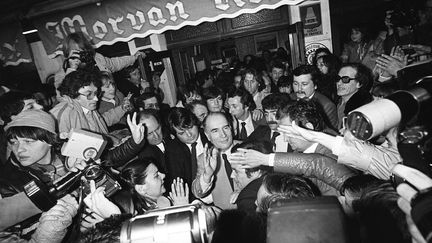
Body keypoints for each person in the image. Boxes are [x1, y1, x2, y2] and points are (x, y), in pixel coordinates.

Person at [0, 110, 81, 239]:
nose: (19, 149)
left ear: (50, 141)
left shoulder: (67, 155)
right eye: (14, 142)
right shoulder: (7, 183)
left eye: (28, 141)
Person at [55, 31, 144, 92]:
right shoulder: (62, 74)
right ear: (68, 54)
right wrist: (71, 69)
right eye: (76, 51)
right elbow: (63, 96)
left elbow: (115, 63)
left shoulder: (96, 58)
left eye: (83, 50)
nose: (80, 54)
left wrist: (134, 57)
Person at [192, 112, 238, 209]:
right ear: (207, 135)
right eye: (215, 131)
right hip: (226, 218)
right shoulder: (204, 158)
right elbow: (198, 192)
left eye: (225, 128)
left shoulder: (248, 148)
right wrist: (207, 176)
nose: (223, 135)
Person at [114, 158, 189, 215]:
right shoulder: (147, 219)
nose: (163, 175)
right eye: (156, 175)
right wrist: (182, 210)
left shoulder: (165, 199)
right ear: (142, 189)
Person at [165, 108, 209, 192]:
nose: (189, 135)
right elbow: (177, 182)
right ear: (173, 135)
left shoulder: (209, 136)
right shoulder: (172, 150)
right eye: (182, 133)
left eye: (191, 127)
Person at [292, 65, 338, 131]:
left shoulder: (326, 106)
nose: (299, 89)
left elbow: (330, 135)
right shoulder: (289, 99)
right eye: (296, 84)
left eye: (304, 84)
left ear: (315, 85)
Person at [230, 141, 272, 213]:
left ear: (256, 172)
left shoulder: (246, 199)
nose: (232, 176)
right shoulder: (276, 181)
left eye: (236, 171)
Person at [336, 63, 373, 130]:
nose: (339, 83)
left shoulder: (360, 110)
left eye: (345, 79)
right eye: (338, 78)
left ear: (359, 84)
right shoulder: (337, 100)